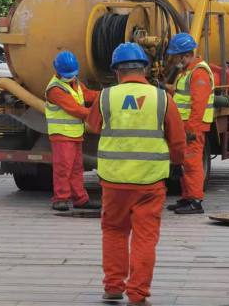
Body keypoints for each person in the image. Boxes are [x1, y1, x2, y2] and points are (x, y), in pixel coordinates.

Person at [87, 42, 186, 306]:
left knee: (114, 231)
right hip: (150, 182)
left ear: (116, 71)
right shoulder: (163, 98)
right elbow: (177, 141)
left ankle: (112, 287)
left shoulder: (105, 96)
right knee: (145, 237)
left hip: (114, 181)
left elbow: (93, 126)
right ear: (144, 69)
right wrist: (176, 164)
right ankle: (138, 294)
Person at [166, 33, 214, 214]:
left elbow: (198, 104)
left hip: (193, 127)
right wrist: (167, 89)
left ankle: (195, 201)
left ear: (185, 55)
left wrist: (191, 130)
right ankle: (187, 197)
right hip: (184, 125)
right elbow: (182, 95)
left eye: (176, 56)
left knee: (192, 163)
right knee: (184, 162)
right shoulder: (187, 72)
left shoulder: (199, 72)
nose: (174, 60)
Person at [45, 50, 100, 212]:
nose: (70, 76)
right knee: (63, 168)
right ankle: (60, 199)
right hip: (62, 135)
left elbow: (88, 95)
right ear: (57, 71)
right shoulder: (55, 89)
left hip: (75, 134)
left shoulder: (74, 82)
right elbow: (76, 110)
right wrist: (99, 114)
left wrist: (107, 95)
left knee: (76, 168)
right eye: (67, 74)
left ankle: (80, 199)